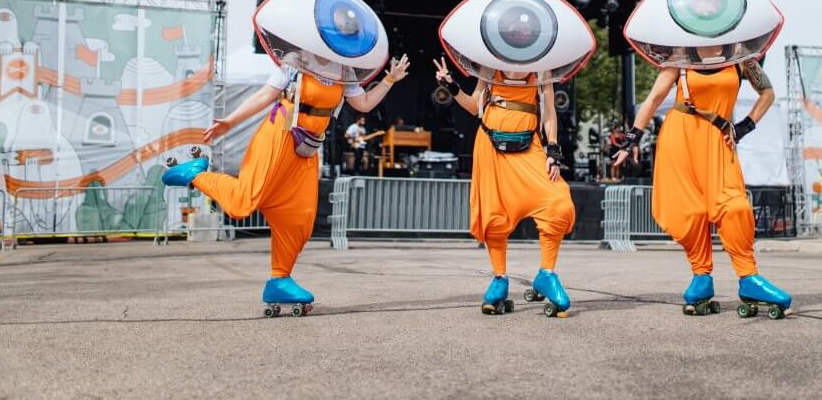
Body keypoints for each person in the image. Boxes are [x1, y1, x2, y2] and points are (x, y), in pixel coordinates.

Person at [164, 56, 409, 314]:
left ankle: (279, 279)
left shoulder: (345, 70)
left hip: (307, 148)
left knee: (299, 218)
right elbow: (264, 95)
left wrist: (390, 79)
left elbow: (364, 104)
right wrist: (229, 122)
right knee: (242, 203)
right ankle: (194, 174)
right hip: (279, 134)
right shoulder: (297, 61)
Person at [617, 0, 791, 319]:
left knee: (735, 205)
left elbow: (767, 93)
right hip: (679, 135)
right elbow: (652, 100)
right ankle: (701, 277)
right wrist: (632, 139)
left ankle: (748, 276)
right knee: (689, 212)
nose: (707, 10)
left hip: (718, 137)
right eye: (701, 6)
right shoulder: (679, 57)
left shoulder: (740, 56)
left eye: (713, 5)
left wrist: (744, 126)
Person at [434, 58, 574, 317]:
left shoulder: (542, 66)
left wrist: (553, 149)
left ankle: (546, 274)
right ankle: (499, 279)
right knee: (494, 216)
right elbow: (474, 107)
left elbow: (550, 112)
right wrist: (451, 85)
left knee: (558, 203)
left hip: (528, 147)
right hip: (490, 145)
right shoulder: (490, 65)